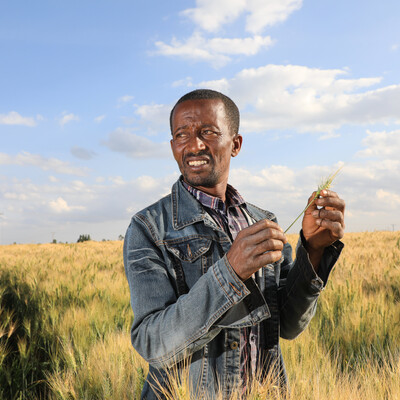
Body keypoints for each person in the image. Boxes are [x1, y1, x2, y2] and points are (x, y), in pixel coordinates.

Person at [123, 89, 345, 399]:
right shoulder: (149, 228)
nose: (194, 145)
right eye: (181, 135)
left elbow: (289, 326)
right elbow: (152, 343)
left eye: (207, 132)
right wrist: (230, 272)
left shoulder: (263, 222)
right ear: (173, 147)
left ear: (236, 144)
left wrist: (313, 249)